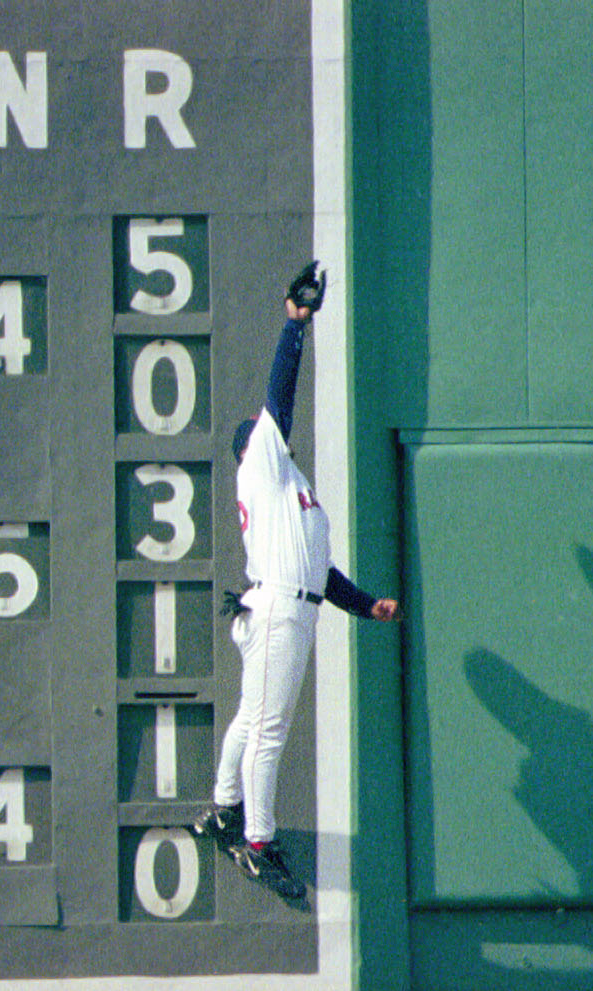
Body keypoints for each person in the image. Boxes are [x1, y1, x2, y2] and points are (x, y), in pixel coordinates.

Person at [192, 262, 401, 899]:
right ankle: (257, 841)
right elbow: (279, 397)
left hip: (290, 602)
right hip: (279, 610)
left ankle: (224, 811)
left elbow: (322, 574)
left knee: (250, 720)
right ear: (251, 446)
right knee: (268, 730)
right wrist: (295, 327)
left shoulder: (292, 494)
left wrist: (366, 606)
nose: (270, 433)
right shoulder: (260, 463)